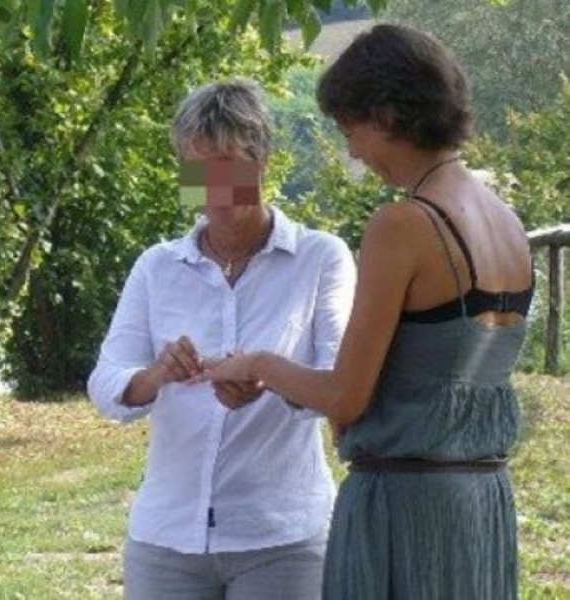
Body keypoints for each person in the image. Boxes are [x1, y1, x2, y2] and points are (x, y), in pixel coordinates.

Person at [207, 24, 533, 599]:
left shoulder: (402, 224)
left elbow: (344, 397)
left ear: (385, 114)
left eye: (348, 129)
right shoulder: (505, 221)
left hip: (406, 509)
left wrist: (258, 362)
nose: (352, 151)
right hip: (483, 504)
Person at [87, 80, 357, 599]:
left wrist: (267, 376)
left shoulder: (320, 258)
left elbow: (339, 383)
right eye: (197, 170)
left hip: (282, 536)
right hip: (167, 537)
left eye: (227, 167)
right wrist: (158, 374)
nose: (213, 186)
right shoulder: (157, 266)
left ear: (262, 162)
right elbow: (106, 384)